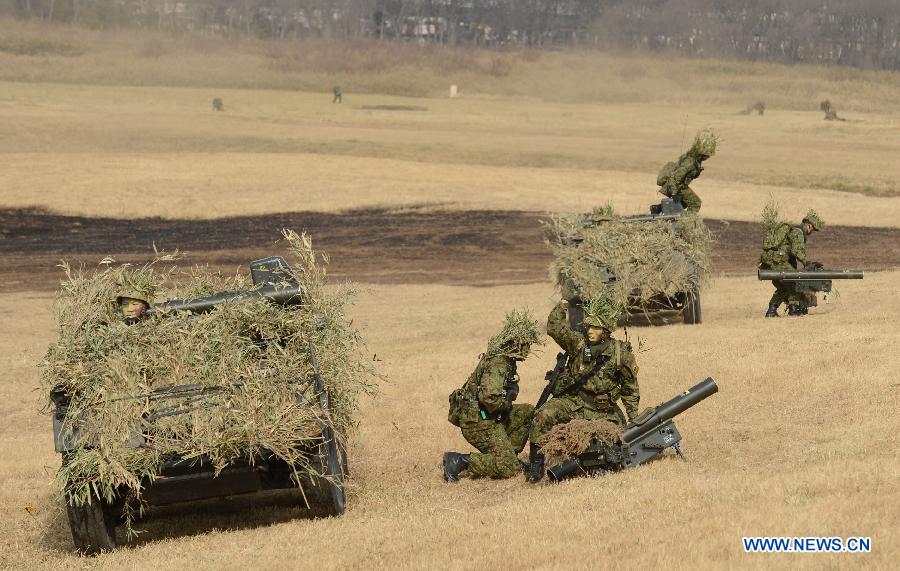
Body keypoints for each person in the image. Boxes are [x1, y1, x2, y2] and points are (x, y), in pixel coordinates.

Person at [526, 297, 639, 483]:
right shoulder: (578, 343)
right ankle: (535, 467)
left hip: (603, 409)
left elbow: (630, 388)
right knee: (541, 417)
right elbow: (554, 327)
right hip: (574, 401)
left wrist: (634, 417)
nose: (591, 331)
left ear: (607, 331)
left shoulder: (620, 354)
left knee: (617, 443)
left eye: (596, 328)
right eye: (589, 326)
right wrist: (563, 304)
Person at [443, 309, 543, 482]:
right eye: (526, 344)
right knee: (509, 468)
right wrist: (507, 402)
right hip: (479, 422)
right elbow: (489, 399)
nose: (528, 349)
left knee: (527, 412)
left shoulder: (505, 358)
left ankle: (507, 454)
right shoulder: (499, 362)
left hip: (484, 417)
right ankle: (459, 460)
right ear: (516, 343)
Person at [758, 210, 824, 317]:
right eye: (813, 230)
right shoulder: (798, 232)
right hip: (779, 261)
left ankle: (771, 311)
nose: (811, 233)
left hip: (770, 262)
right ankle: (794, 310)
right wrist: (807, 263)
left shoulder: (792, 231)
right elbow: (796, 251)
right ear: (810, 226)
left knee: (783, 287)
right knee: (796, 282)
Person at [657, 129, 719, 213]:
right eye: (707, 155)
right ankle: (687, 222)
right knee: (695, 203)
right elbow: (674, 178)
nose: (708, 157)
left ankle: (659, 209)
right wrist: (674, 194)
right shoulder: (690, 162)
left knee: (683, 203)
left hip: (678, 186)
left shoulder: (696, 160)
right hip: (675, 186)